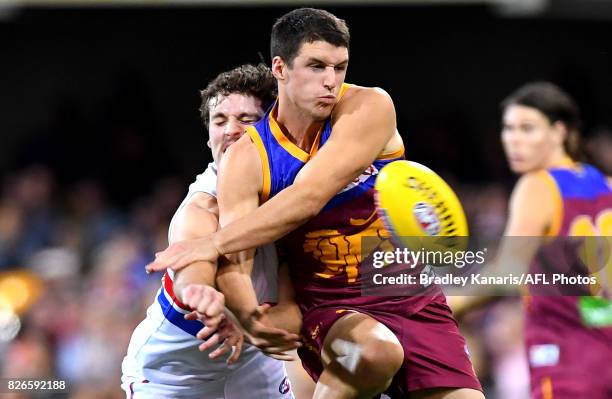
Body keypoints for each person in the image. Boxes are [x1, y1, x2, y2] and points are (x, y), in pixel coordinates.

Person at [148, 8, 483, 399]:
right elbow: (236, 259)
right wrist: (248, 317)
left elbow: (308, 195)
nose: (331, 81)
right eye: (317, 66)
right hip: (329, 305)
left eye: (340, 68)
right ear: (280, 67)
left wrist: (213, 245)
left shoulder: (369, 107)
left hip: (411, 294)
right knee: (374, 353)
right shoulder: (248, 158)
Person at [121, 63, 298, 398]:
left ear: (273, 129)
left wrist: (248, 326)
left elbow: (294, 309)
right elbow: (193, 265)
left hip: (252, 361)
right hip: (173, 375)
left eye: (246, 119)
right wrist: (199, 291)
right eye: (220, 120)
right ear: (208, 137)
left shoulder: (291, 198)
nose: (231, 130)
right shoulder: (200, 206)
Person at [498, 81, 611, 398]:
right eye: (508, 128)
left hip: (567, 361)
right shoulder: (604, 184)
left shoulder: (538, 185)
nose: (513, 140)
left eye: (527, 128)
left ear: (558, 132)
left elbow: (505, 273)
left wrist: (446, 304)